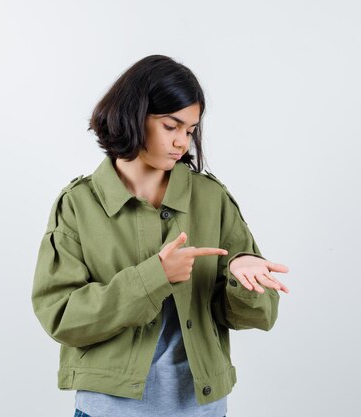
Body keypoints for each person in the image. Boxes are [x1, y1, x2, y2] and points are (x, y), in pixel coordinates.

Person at [31, 54, 290, 417]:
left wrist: (242, 276)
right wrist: (156, 276)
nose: (182, 142)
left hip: (201, 409)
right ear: (134, 115)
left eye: (190, 130)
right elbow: (61, 317)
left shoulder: (211, 198)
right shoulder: (79, 204)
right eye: (171, 126)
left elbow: (256, 317)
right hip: (108, 410)